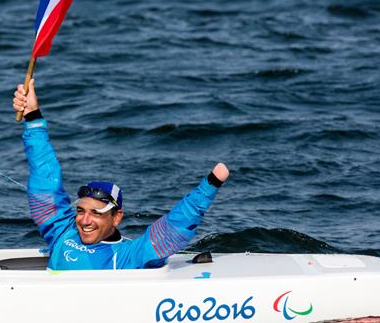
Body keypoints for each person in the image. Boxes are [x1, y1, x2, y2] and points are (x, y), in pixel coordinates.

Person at [12, 79, 229, 270]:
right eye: (80, 211)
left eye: (96, 213)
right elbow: (44, 176)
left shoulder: (127, 256)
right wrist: (33, 117)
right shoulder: (62, 231)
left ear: (116, 217)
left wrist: (209, 186)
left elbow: (172, 229)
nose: (85, 221)